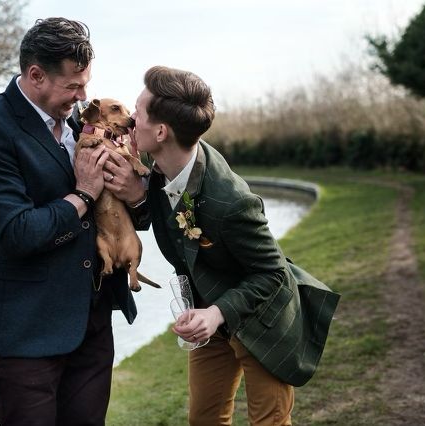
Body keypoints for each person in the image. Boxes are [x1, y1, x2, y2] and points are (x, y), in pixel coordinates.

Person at [105, 65, 339, 425]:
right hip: (208, 313)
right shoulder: (166, 161)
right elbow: (173, 220)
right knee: (204, 419)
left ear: (162, 132)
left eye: (137, 111)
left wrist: (216, 313)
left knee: (269, 423)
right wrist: (140, 197)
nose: (131, 120)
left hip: (263, 319)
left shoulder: (232, 203)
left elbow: (273, 274)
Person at [0, 18, 141, 425]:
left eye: (85, 84)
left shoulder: (81, 124)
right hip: (26, 331)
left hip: (92, 322)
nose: (83, 96)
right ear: (36, 75)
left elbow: (124, 213)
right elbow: (16, 234)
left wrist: (134, 193)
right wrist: (83, 195)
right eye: (73, 86)